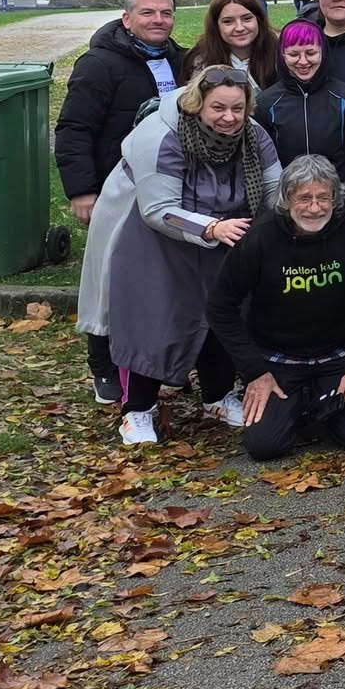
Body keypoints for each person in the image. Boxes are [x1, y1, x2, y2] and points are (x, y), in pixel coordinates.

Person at [84, 66, 282, 445]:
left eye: (237, 109)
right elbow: (158, 209)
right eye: (218, 108)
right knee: (155, 316)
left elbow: (275, 190)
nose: (229, 118)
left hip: (224, 232)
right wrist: (211, 228)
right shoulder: (163, 136)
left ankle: (217, 397)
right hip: (154, 234)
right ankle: (137, 410)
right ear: (197, 105)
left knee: (221, 310)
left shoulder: (255, 136)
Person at [56, 0, 184, 404]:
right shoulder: (99, 65)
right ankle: (104, 368)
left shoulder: (180, 61)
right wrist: (82, 190)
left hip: (165, 188)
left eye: (165, 13)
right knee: (108, 280)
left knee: (159, 281)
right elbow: (74, 128)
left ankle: (156, 363)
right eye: (148, 13)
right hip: (115, 190)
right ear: (127, 19)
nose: (158, 20)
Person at [206, 154, 345, 462]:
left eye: (323, 198)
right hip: (278, 358)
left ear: (336, 198)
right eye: (304, 198)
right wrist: (255, 371)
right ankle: (297, 404)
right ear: (286, 199)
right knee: (264, 447)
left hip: (339, 354)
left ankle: (311, 401)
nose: (315, 208)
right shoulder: (260, 237)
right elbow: (220, 307)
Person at [255, 21, 345, 221]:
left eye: (311, 53)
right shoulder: (266, 103)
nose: (303, 61)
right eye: (294, 54)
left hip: (339, 207)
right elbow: (261, 167)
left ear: (323, 52)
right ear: (282, 55)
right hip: (286, 210)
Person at [183, 0, 280, 89]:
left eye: (247, 19)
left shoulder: (282, 52)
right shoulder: (200, 61)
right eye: (228, 21)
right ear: (216, 26)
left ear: (259, 20)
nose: (239, 28)